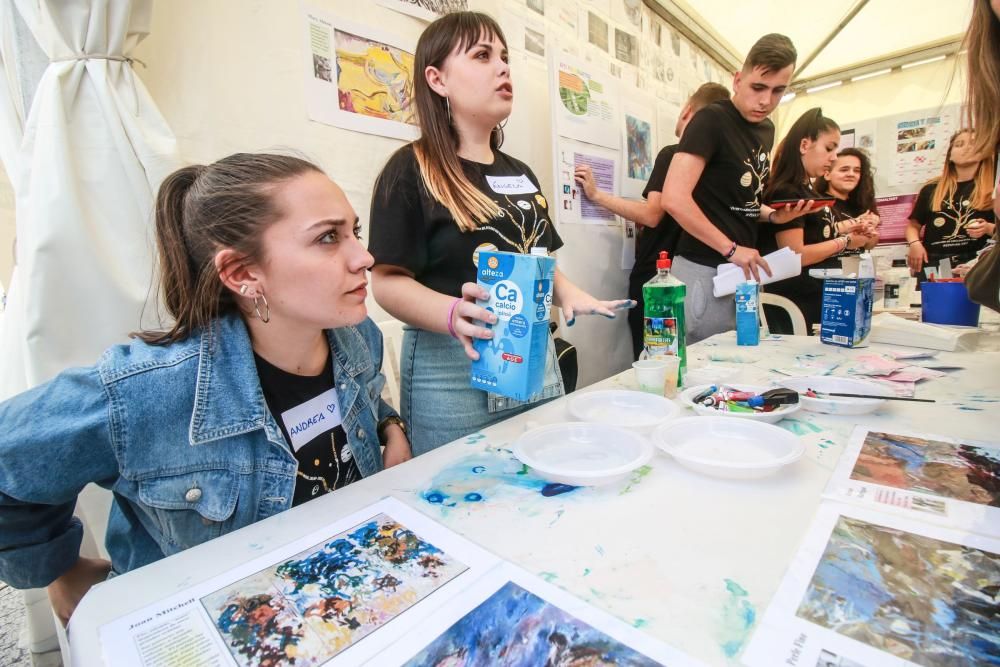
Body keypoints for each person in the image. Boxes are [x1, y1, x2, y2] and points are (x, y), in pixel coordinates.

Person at [0, 153, 410, 624]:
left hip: (335, 596)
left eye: (353, 232)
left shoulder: (359, 336)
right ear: (241, 274)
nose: (364, 257)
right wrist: (60, 569)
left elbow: (366, 396)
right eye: (327, 238)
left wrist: (390, 423)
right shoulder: (147, 390)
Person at [368, 12, 630, 455]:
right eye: (482, 55)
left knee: (542, 480)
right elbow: (387, 283)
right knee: (460, 500)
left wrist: (569, 294)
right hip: (453, 369)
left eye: (505, 57)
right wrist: (455, 315)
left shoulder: (521, 174)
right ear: (437, 79)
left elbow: (539, 256)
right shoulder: (410, 170)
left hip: (532, 356)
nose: (503, 67)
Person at [662, 33, 815, 344]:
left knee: (735, 368)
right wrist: (730, 248)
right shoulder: (711, 120)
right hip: (703, 269)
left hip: (741, 273)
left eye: (778, 91)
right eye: (758, 87)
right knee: (698, 372)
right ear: (737, 80)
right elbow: (673, 198)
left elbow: (739, 200)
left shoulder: (766, 129)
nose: (765, 101)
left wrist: (774, 217)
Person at [573, 82, 730, 359]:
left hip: (655, 280)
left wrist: (597, 195)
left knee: (653, 365)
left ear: (686, 112)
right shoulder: (716, 168)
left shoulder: (673, 154)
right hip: (690, 283)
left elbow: (652, 215)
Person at [759, 109, 874, 332]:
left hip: (819, 300)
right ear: (804, 145)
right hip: (795, 307)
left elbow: (814, 235)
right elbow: (795, 254)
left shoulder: (807, 190)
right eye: (829, 148)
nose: (833, 157)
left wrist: (849, 231)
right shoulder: (788, 191)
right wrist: (846, 242)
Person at [905, 129, 996, 278]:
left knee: (973, 301)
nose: (966, 148)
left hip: (977, 263)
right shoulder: (931, 188)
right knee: (933, 301)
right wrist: (914, 244)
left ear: (984, 151)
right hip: (936, 262)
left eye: (973, 144)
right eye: (959, 144)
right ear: (950, 156)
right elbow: (913, 226)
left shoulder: (994, 187)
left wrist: (988, 228)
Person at [815, 147, 881, 254]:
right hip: (826, 269)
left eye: (857, 171)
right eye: (844, 169)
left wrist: (870, 229)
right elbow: (814, 237)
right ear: (827, 175)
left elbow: (869, 246)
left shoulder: (862, 205)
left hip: (855, 268)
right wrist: (855, 223)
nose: (851, 174)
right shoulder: (816, 204)